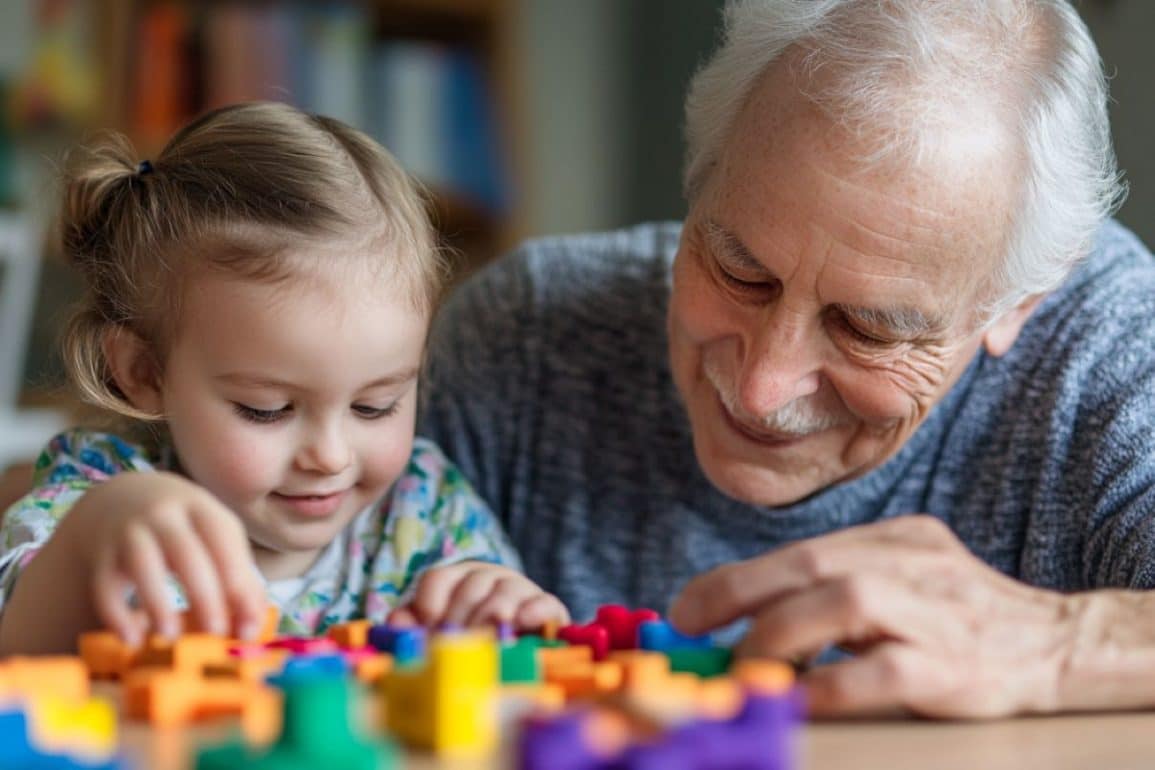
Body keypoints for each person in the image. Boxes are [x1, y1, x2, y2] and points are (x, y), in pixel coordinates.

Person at [421, 0, 1155, 718]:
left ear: (1018, 303)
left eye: (868, 329)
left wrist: (1061, 642)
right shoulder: (527, 336)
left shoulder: (1119, 350)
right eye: (739, 273)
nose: (761, 388)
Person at [0, 102, 567, 655]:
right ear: (144, 372)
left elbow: (513, 657)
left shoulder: (426, 510)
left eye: (376, 405)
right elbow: (18, 643)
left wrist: (501, 608)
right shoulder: (102, 490)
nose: (329, 456)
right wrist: (90, 541)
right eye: (268, 409)